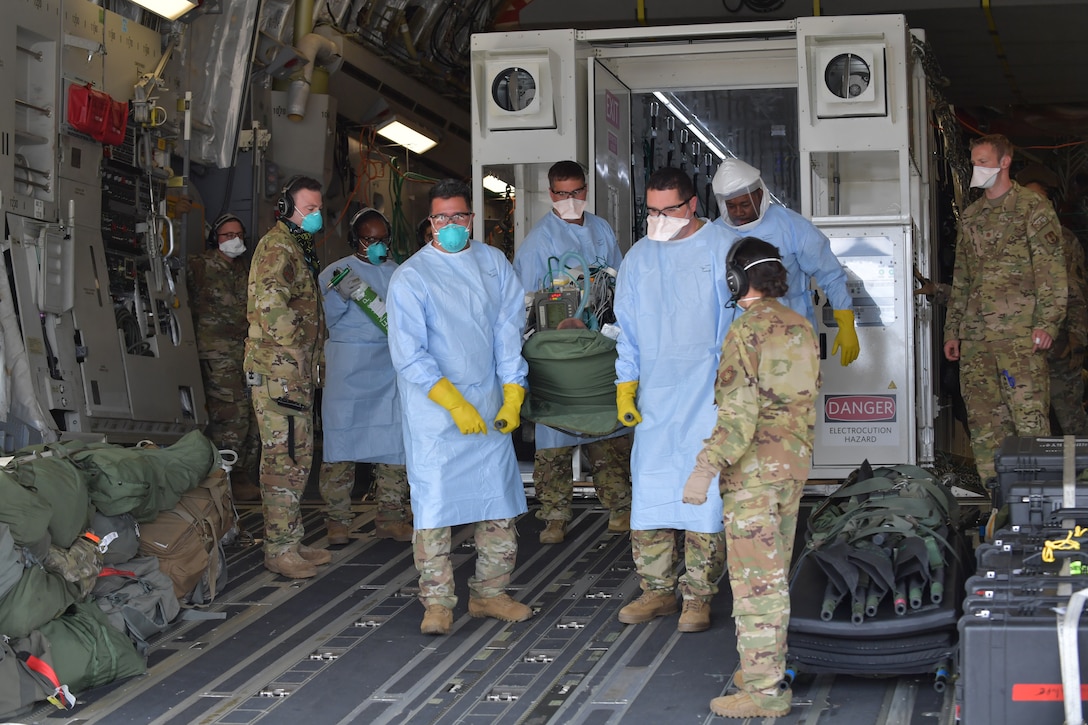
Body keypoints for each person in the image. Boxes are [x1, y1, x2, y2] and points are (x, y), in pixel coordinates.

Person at [681, 236, 820, 719]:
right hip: (792, 468)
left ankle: (764, 693)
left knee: (755, 584)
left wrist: (704, 468)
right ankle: (763, 665)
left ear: (738, 278)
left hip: (754, 475)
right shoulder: (801, 326)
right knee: (773, 574)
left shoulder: (745, 331)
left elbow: (738, 415)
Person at [387, 179, 533, 635]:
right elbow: (410, 353)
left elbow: (508, 331)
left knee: (498, 502)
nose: (451, 225)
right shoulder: (411, 276)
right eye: (441, 217)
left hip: (488, 407)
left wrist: (512, 391)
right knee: (433, 509)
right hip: (436, 414)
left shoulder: (493, 263)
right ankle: (437, 602)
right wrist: (452, 401)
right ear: (430, 223)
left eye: (459, 216)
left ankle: (490, 593)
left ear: (473, 218)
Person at [613, 167, 731, 634]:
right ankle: (657, 590)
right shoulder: (639, 258)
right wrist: (626, 384)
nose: (660, 219)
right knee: (652, 491)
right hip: (657, 397)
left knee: (705, 495)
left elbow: (743, 321)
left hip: (710, 394)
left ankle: (698, 596)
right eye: (652, 211)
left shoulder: (724, 249)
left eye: (670, 210)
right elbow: (627, 328)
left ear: (693, 205)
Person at [512, 160, 633, 544]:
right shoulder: (538, 242)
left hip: (598, 345)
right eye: (562, 194)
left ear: (586, 190)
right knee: (555, 431)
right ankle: (554, 516)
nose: (570, 200)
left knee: (605, 422)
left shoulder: (601, 229)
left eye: (577, 192)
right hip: (557, 351)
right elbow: (524, 303)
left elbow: (619, 283)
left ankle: (619, 506)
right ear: (550, 195)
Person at [943, 134, 1066, 485]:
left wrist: (1048, 324)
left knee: (1028, 421)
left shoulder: (1033, 208)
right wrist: (953, 331)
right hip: (977, 340)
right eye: (974, 162)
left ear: (1004, 162)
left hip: (1019, 337)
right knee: (984, 424)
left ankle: (1036, 503)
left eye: (983, 161)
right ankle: (998, 503)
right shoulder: (971, 217)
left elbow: (1051, 270)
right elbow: (963, 278)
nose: (976, 169)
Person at [244, 175, 343, 579]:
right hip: (279, 373)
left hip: (293, 374)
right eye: (310, 208)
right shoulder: (277, 247)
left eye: (320, 209)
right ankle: (279, 548)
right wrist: (298, 351)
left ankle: (290, 538)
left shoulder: (297, 248)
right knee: (283, 459)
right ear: (286, 209)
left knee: (298, 456)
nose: (317, 216)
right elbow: (271, 307)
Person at [317, 207, 413, 545]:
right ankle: (338, 522)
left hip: (388, 367)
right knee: (341, 442)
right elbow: (326, 320)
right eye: (369, 239)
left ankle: (390, 515)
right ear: (355, 239)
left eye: (382, 239)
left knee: (393, 442)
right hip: (349, 367)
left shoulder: (402, 273)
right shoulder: (336, 273)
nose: (376, 245)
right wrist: (344, 295)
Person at [711, 158, 859, 366]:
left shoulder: (792, 227)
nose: (738, 212)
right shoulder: (715, 235)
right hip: (738, 350)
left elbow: (830, 274)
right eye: (731, 206)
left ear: (760, 194)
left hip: (792, 342)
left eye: (745, 204)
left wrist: (845, 321)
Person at [188, 213, 261, 502]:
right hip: (215, 354)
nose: (235, 240)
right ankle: (225, 477)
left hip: (245, 353)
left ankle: (241, 473)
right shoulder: (200, 266)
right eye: (227, 235)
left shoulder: (248, 270)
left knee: (251, 416)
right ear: (215, 240)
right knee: (231, 415)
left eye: (239, 234)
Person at [1016, 163, 1088, 436]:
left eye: (1039, 200)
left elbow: (1076, 293)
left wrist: (1077, 339)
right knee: (1026, 424)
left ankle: (1081, 473)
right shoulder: (1009, 241)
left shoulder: (1065, 241)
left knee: (1071, 421)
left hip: (1058, 348)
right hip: (1019, 349)